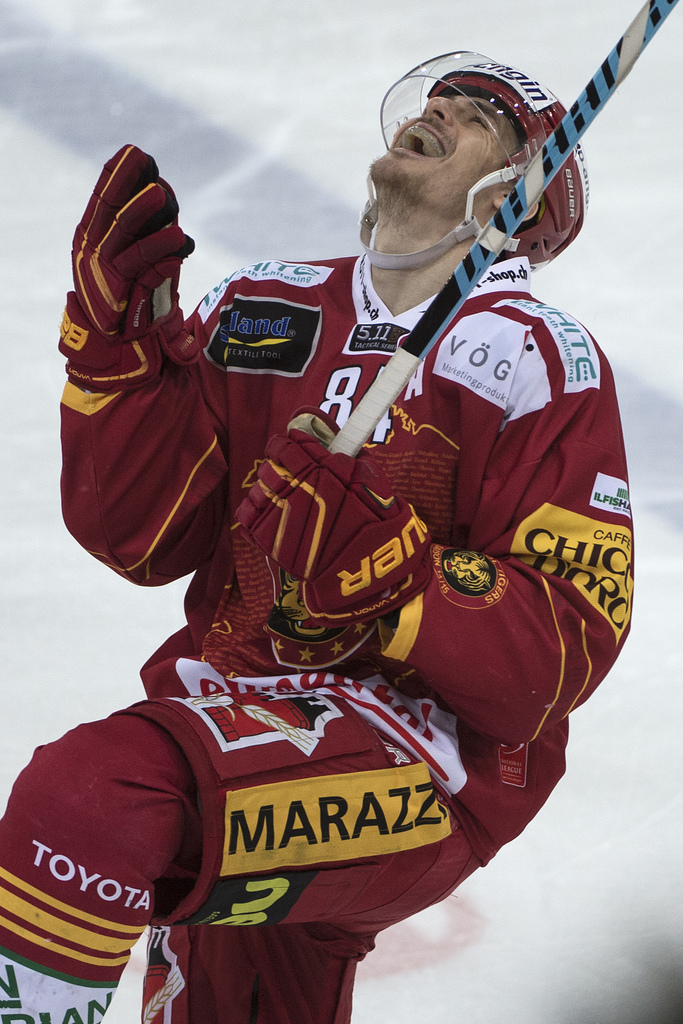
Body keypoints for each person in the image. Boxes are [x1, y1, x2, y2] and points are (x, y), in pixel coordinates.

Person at [0, 51, 632, 1024]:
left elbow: (559, 650)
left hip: (420, 766)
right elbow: (138, 533)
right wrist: (115, 359)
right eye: (430, 100)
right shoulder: (269, 307)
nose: (432, 113)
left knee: (87, 803)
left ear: (518, 190)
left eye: (472, 117)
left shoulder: (534, 358)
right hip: (234, 715)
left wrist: (401, 583)